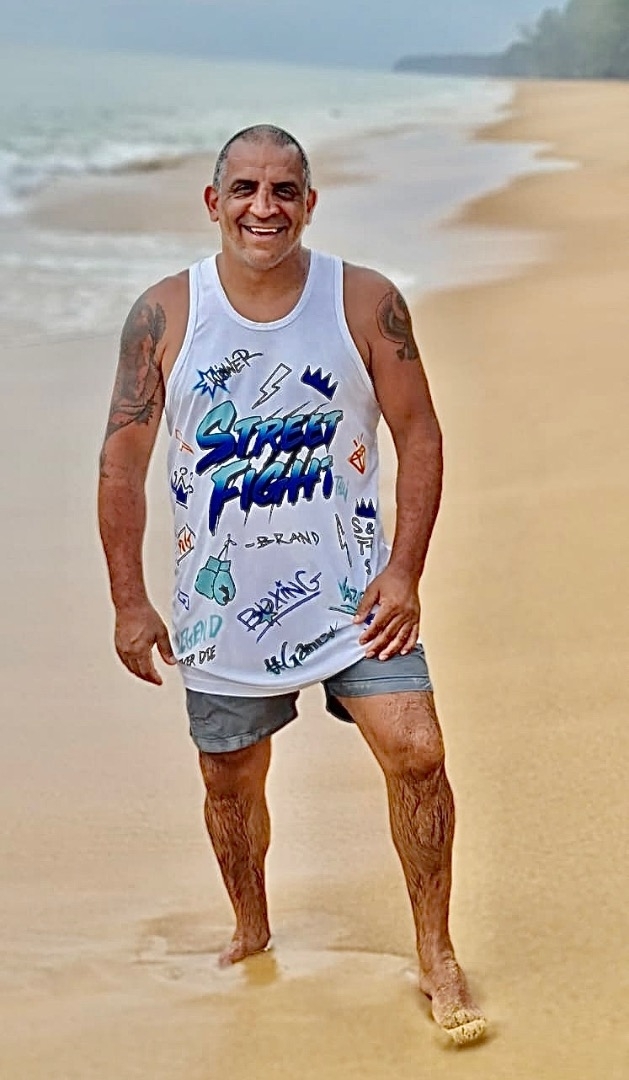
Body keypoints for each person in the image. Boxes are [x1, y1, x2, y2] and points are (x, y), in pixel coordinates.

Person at [98, 124, 486, 1044]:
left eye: (283, 190)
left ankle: (435, 953)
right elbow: (121, 466)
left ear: (309, 203)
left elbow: (419, 434)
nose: (262, 207)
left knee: (418, 753)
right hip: (222, 610)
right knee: (228, 782)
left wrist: (405, 570)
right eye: (244, 189)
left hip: (359, 596)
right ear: (213, 201)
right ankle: (251, 927)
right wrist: (129, 601)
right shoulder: (165, 314)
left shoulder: (365, 301)